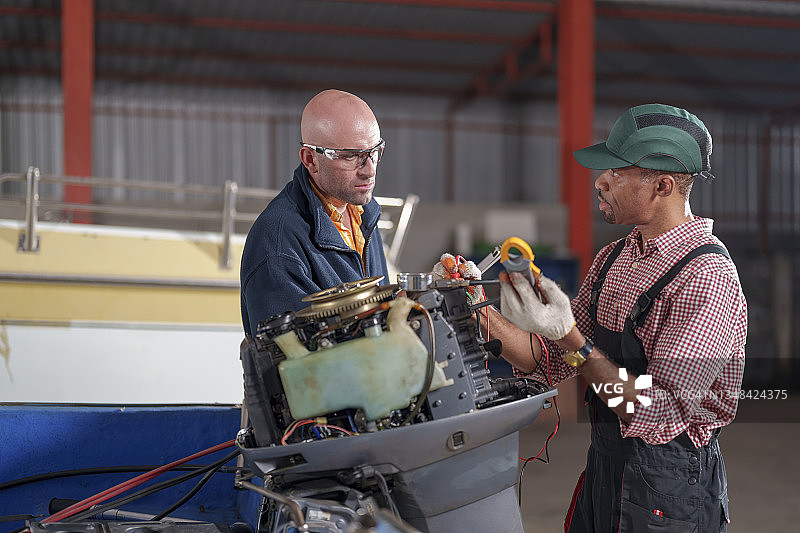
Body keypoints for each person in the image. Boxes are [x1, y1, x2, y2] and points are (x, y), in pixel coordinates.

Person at [493, 104, 747, 532]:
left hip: (669, 491)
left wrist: (570, 336)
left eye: (617, 171)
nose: (601, 180)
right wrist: (472, 308)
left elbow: (655, 411)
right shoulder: (615, 258)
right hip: (606, 469)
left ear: (662, 185)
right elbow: (551, 361)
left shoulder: (706, 276)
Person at [240, 89, 389, 337]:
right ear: (310, 159)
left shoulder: (363, 215)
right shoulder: (277, 244)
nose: (369, 170)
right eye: (351, 156)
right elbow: (301, 365)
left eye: (374, 151)